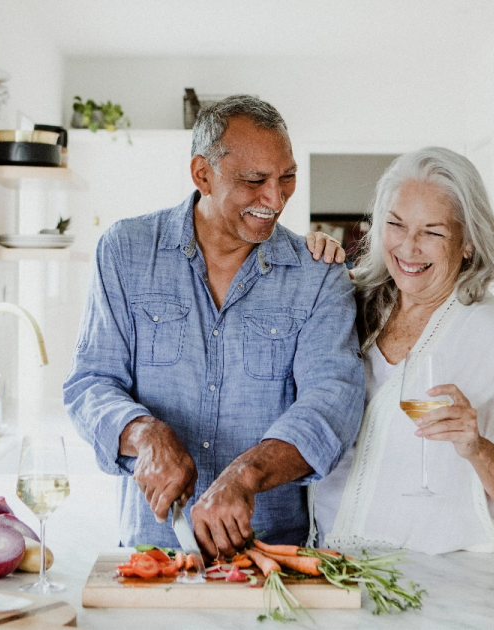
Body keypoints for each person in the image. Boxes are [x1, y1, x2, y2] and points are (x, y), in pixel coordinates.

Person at [63, 95, 365, 559]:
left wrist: (245, 475)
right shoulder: (125, 251)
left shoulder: (318, 273)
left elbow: (332, 404)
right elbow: (90, 383)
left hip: (269, 555)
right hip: (151, 551)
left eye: (287, 178)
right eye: (254, 181)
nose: (276, 199)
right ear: (202, 174)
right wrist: (144, 434)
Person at [312, 147, 494, 554]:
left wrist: (476, 447)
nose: (408, 247)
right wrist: (309, 261)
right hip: (328, 559)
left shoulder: (488, 336)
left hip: (428, 577)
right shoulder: (354, 301)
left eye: (433, 232)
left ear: (468, 243)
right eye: (396, 224)